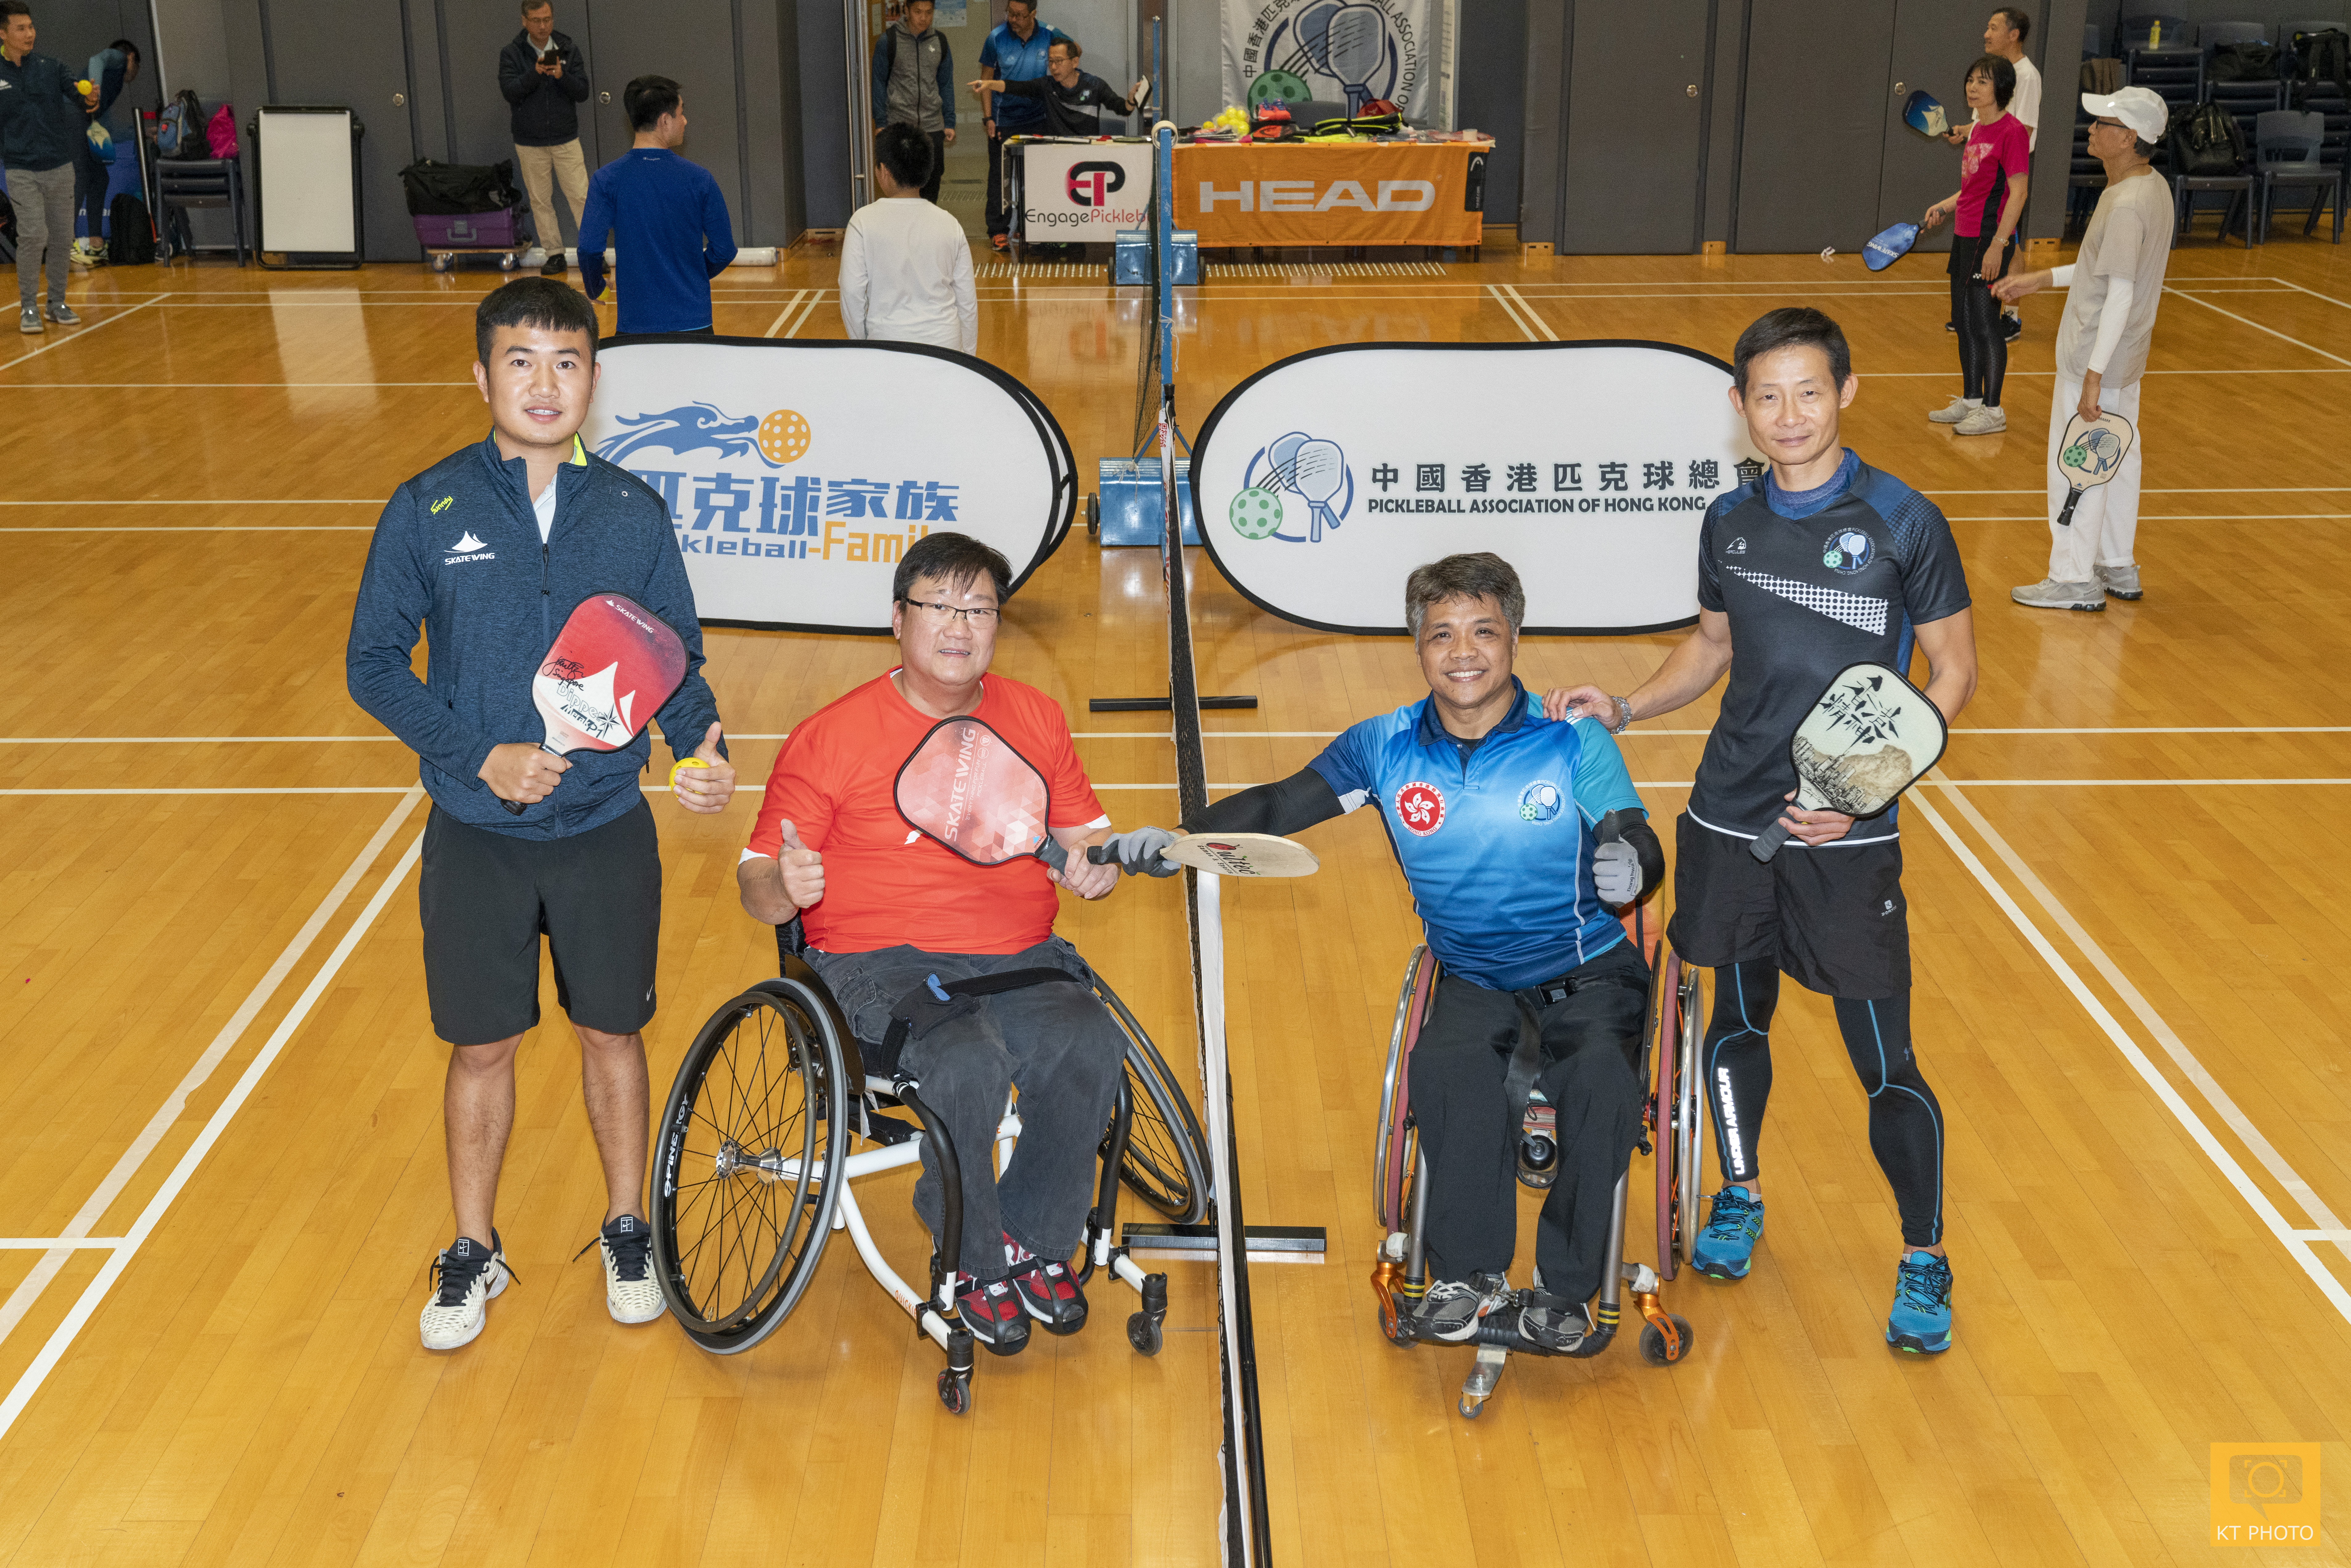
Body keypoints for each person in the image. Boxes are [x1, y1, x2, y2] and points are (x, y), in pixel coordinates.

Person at [1545, 307, 1978, 1356]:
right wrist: (1630, 708)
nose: (1790, 415)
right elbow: (1710, 646)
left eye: (1810, 392)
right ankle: (1740, 1190)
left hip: (1849, 837)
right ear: (1740, 409)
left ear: (1846, 393)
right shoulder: (1730, 522)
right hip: (1727, 819)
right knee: (1735, 1025)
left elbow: (1952, 674)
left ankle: (1924, 1255)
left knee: (1886, 1060)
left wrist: (1866, 790)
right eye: (1768, 397)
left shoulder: (1902, 522)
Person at [1103, 553, 1665, 1352]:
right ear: (1415, 646)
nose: (1462, 651)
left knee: (1604, 1080)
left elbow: (1630, 834)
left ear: (1513, 637)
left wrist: (1635, 863)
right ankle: (1466, 1275)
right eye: (1440, 634)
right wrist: (1181, 835)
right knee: (1444, 1068)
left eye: (1482, 631)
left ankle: (1568, 1288)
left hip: (1589, 968)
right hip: (1472, 971)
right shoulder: (1383, 746)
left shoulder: (1569, 737)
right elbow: (1278, 802)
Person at [346, 277, 736, 1351]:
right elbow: (373, 665)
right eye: (521, 360)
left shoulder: (631, 512)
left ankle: (626, 1227)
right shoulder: (427, 505)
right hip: (478, 834)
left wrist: (702, 749)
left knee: (613, 1031)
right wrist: (483, 755)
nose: (545, 382)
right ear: (482, 376)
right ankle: (474, 1249)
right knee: (482, 1048)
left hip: (607, 827)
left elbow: (674, 660)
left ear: (593, 381)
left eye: (567, 362)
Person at [738, 532, 1128, 1356]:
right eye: (939, 607)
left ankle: (1031, 1233)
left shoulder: (1034, 715)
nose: (959, 625)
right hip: (885, 960)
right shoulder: (828, 735)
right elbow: (754, 881)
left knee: (1089, 1038)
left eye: (979, 608)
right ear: (897, 619)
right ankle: (973, 1253)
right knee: (966, 1059)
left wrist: (1097, 864)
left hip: (1016, 952)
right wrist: (786, 887)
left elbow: (1085, 833)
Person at [1997, 87, 2172, 611]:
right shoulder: (2151, 189)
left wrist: (2093, 373)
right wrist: (2040, 280)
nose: (2092, 130)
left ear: (2129, 138)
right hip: (2126, 361)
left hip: (2098, 361)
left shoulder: (2125, 204)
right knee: (2120, 460)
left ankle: (2073, 576)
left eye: (2103, 124)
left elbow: (2118, 293)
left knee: (2079, 465)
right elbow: (2106, 271)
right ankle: (2116, 562)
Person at [577, 76, 737, 336]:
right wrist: (692, 276)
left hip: (635, 325)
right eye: (681, 113)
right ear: (665, 120)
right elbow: (724, 250)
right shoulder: (700, 179)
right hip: (693, 322)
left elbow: (588, 249)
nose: (685, 121)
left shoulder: (606, 180)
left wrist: (597, 288)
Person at [1922, 54, 2027, 436]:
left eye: (1982, 82)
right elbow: (1973, 187)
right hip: (1964, 233)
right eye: (1970, 80)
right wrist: (1947, 206)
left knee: (1986, 323)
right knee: (1963, 320)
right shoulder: (1978, 129)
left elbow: (2018, 192)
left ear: (2000, 90)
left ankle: (1993, 409)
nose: (1972, 87)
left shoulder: (2011, 132)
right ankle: (1970, 399)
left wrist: (2000, 245)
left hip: (1988, 235)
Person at [839, 122, 976, 352]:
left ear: (883, 171)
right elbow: (967, 303)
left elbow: (852, 293)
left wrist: (863, 347)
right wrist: (969, 359)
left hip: (887, 346)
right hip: (947, 348)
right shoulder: (950, 224)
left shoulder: (862, 222)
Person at [0, 1, 94, 333]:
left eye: (31, 27)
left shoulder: (51, 67)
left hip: (59, 166)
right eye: (21, 29)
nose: (30, 34)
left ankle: (57, 303)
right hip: (21, 169)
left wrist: (91, 97)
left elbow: (80, 96)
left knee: (61, 237)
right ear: (3, 34)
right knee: (33, 235)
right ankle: (29, 307)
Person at [499, 0, 591, 276]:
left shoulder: (568, 49)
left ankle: (592, 252)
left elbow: (583, 91)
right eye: (537, 20)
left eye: (548, 19)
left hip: (566, 137)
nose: (543, 26)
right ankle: (554, 254)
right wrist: (535, 73)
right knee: (541, 200)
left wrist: (562, 76)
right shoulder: (512, 53)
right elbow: (510, 92)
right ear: (525, 21)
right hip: (530, 141)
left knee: (581, 196)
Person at [979, 0, 1066, 251]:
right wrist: (988, 118)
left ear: (1033, 14)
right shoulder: (996, 38)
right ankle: (998, 231)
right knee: (1000, 177)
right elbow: (985, 81)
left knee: (1037, 178)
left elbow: (1074, 51)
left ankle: (1032, 229)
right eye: (1010, 14)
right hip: (1003, 119)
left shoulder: (1050, 34)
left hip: (1039, 118)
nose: (1013, 20)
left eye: (1019, 15)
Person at [969, 37, 1148, 140]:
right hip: (1055, 152)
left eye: (1059, 62)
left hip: (1087, 152)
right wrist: (989, 84)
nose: (1054, 68)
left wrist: (1132, 99)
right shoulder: (1047, 85)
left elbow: (1122, 109)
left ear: (1075, 62)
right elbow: (1016, 87)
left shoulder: (1094, 85)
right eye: (1051, 62)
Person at [872, 0, 955, 205]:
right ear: (907, 11)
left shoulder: (940, 42)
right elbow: (878, 83)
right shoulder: (889, 41)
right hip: (900, 124)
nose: (924, 18)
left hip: (932, 125)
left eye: (929, 13)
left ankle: (926, 232)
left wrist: (950, 121)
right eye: (918, 12)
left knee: (932, 181)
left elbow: (946, 84)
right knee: (901, 184)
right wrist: (881, 122)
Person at [71, 37, 136, 263]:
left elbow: (110, 132)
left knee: (99, 179)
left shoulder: (114, 82)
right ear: (131, 58)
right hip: (72, 115)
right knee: (81, 177)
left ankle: (96, 243)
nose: (134, 74)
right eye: (136, 68)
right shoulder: (118, 58)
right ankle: (62, 243)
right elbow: (96, 59)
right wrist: (94, 92)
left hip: (82, 120)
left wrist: (141, 133)